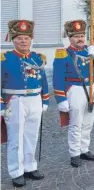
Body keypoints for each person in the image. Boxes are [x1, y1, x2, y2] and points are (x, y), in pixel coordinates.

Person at [1, 20, 49, 187]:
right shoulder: (4, 59)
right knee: (16, 138)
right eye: (19, 38)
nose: (23, 41)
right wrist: (1, 106)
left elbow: (43, 80)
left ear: (31, 40)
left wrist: (46, 99)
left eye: (26, 38)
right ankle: (16, 171)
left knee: (31, 135)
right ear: (13, 39)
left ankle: (30, 167)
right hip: (15, 101)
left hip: (35, 99)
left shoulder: (37, 58)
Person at [53, 20, 94, 167]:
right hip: (74, 89)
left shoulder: (88, 50)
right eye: (76, 36)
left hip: (91, 88)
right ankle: (75, 153)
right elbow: (57, 78)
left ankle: (84, 149)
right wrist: (61, 99)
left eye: (82, 35)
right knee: (76, 123)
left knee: (88, 122)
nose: (80, 38)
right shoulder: (63, 53)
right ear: (69, 37)